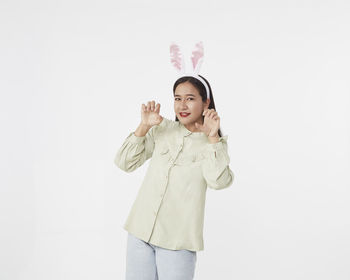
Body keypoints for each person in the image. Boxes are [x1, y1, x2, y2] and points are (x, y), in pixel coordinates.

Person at [114, 43, 234, 280]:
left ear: (205, 102)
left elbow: (219, 182)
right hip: (140, 233)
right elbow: (124, 162)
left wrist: (212, 138)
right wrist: (143, 126)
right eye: (177, 98)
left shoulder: (214, 142)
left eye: (190, 98)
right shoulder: (162, 129)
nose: (182, 105)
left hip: (177, 242)